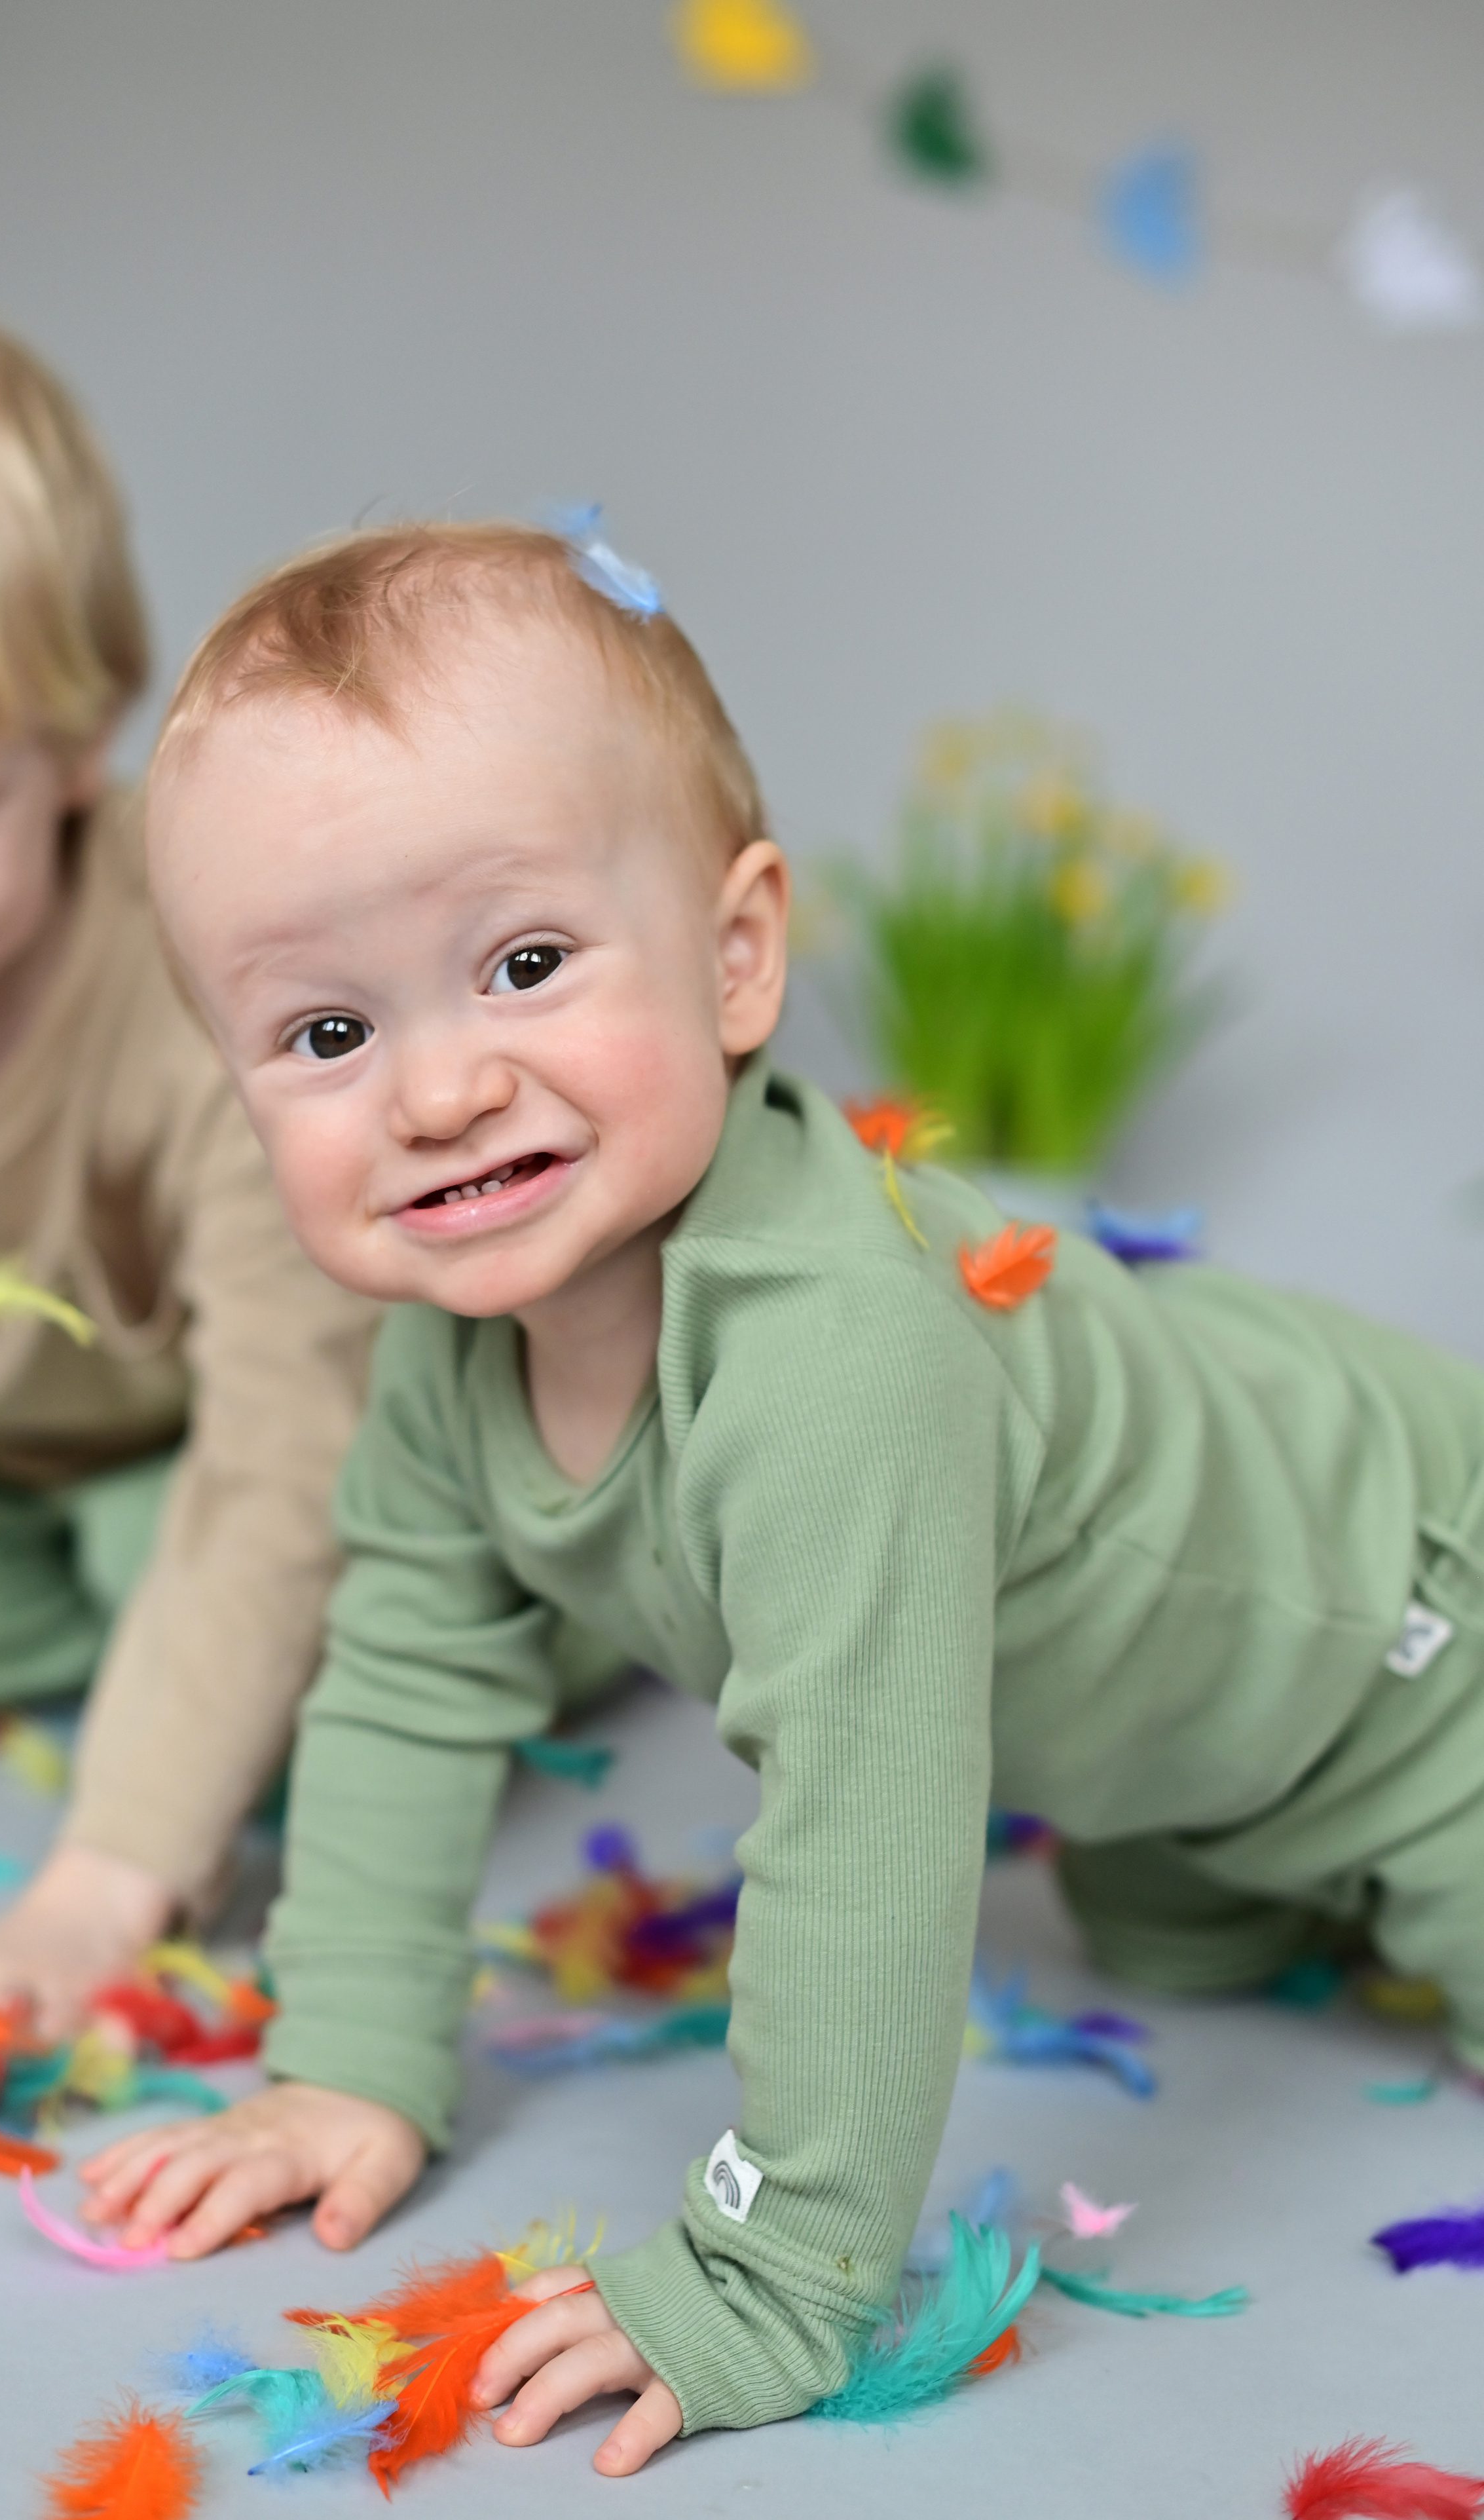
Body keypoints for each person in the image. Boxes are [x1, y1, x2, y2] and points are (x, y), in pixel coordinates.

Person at [87, 519, 1484, 2472]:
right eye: (329, 1032)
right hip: (1188, 1740)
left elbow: (863, 1829)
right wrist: (348, 2064)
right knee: (1181, 1939)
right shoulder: (445, 1350)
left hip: (1415, 1635)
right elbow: (407, 1675)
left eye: (526, 963)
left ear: (740, 957)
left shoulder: (835, 1356)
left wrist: (779, 2273)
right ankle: (1252, 1850)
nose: (436, 1092)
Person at [0, 272, 376, 2038]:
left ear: (76, 742)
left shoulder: (209, 972)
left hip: (205, 1435)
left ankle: (178, 1667)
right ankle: (113, 1636)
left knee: (357, 1550)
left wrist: (101, 1881)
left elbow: (293, 1444)